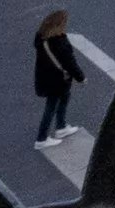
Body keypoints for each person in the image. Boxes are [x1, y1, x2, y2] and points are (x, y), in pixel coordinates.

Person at [32, 8, 83, 141]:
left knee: (64, 98)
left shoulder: (41, 38)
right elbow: (70, 63)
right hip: (57, 81)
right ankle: (41, 139)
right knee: (51, 107)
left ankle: (61, 127)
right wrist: (81, 78)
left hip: (45, 78)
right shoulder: (60, 43)